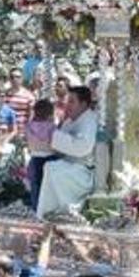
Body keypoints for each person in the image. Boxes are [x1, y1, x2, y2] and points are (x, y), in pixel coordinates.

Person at [37, 80, 99, 218]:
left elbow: (82, 147)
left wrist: (54, 136)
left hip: (83, 172)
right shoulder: (71, 120)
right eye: (67, 101)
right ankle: (48, 212)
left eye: (72, 101)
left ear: (83, 104)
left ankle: (60, 211)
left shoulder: (90, 121)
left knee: (52, 169)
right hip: (70, 164)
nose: (67, 105)